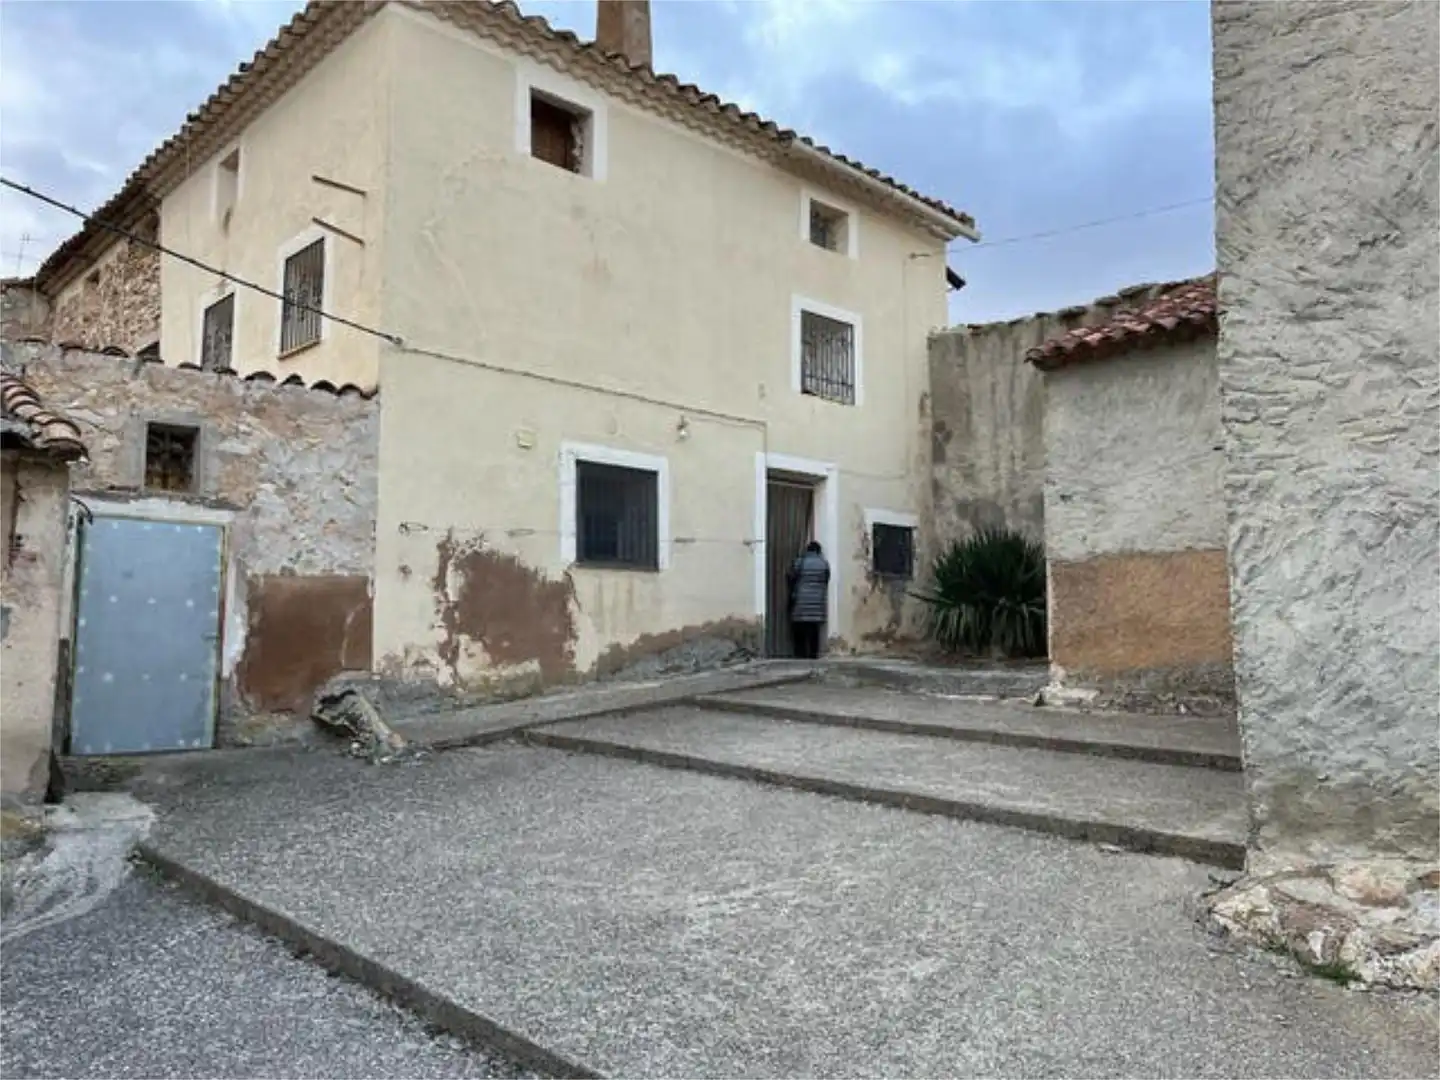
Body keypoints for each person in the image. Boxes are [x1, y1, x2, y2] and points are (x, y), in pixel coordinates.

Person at [786, 540, 830, 659]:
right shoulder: (824, 563)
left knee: (800, 629)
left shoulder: (800, 562)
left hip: (801, 601)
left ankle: (800, 654)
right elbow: (826, 580)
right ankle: (813, 654)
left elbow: (792, 576)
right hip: (818, 603)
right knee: (814, 630)